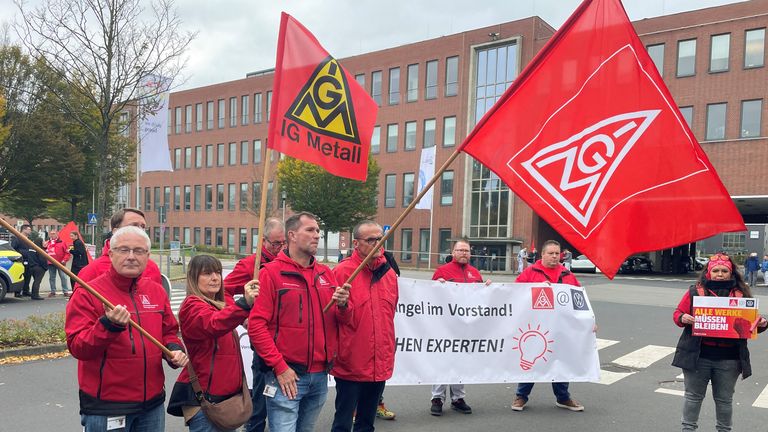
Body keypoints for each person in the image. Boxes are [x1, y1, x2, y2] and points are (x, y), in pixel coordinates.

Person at [65, 226, 188, 431]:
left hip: (153, 404)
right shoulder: (88, 292)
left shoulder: (156, 291)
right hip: (107, 407)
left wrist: (175, 350)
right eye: (124, 250)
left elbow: (169, 332)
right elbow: (77, 347)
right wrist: (108, 325)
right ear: (111, 254)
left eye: (138, 251)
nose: (131, 256)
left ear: (148, 256)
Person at [248, 212, 351, 432]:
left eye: (318, 231)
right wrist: (279, 367)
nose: (316, 235)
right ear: (292, 235)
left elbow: (342, 322)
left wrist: (343, 306)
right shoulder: (272, 273)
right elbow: (257, 327)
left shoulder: (326, 274)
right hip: (286, 376)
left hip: (319, 376)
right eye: (310, 230)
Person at [672, 253, 767, 431]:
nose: (720, 274)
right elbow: (677, 314)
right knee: (693, 397)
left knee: (724, 400)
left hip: (729, 359)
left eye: (724, 270)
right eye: (716, 270)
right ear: (708, 272)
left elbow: (751, 325)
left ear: (731, 273)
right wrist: (683, 317)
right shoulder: (695, 291)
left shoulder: (741, 293)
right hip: (698, 357)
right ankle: (688, 429)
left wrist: (762, 323)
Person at [168, 255, 260, 431]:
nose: (215, 278)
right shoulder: (192, 305)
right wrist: (244, 304)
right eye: (207, 273)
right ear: (194, 278)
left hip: (225, 401)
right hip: (206, 402)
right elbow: (214, 323)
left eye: (217, 272)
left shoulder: (219, 305)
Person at [330, 221, 399, 431]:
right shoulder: (342, 272)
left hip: (380, 361)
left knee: (367, 423)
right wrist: (342, 307)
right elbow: (334, 317)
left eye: (381, 239)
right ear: (356, 243)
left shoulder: (389, 274)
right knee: (343, 422)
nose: (378, 244)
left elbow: (390, 314)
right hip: (351, 362)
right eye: (371, 240)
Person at [223, 217, 285, 432]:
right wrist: (242, 316)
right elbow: (223, 291)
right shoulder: (251, 264)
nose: (279, 248)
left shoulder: (287, 262)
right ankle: (254, 426)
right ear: (264, 241)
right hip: (263, 337)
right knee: (261, 389)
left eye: (282, 243)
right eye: (275, 243)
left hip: (287, 338)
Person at [513, 240, 584, 412]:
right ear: (542, 254)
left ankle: (563, 397)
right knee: (531, 360)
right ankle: (521, 396)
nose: (554, 257)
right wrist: (536, 288)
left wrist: (589, 321)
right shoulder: (530, 273)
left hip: (561, 328)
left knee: (561, 361)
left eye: (557, 254)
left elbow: (579, 302)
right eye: (550, 253)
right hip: (536, 327)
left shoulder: (568, 275)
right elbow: (514, 295)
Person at [430, 239, 490, 416]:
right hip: (446, 325)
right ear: (453, 252)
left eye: (467, 250)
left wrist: (488, 289)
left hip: (466, 326)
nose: (464, 253)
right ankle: (437, 398)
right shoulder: (442, 271)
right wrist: (437, 286)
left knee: (461, 360)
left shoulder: (475, 273)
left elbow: (481, 298)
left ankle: (458, 398)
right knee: (443, 360)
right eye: (460, 250)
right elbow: (430, 296)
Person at [75, 208, 162, 289]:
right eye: (134, 226)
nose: (140, 230)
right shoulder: (92, 271)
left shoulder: (151, 267)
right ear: (115, 231)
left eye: (143, 227)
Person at [44, 230, 71, 297]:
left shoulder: (62, 242)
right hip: (51, 262)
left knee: (63, 277)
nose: (52, 235)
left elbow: (67, 253)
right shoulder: (48, 242)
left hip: (60, 262)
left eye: (53, 234)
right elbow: (44, 250)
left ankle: (65, 291)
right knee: (52, 277)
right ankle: (53, 291)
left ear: (57, 234)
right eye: (51, 234)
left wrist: (64, 260)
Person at [11, 224, 32, 297]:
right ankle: (17, 292)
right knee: (20, 275)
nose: (30, 231)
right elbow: (13, 248)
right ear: (24, 230)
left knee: (28, 275)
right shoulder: (17, 238)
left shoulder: (29, 238)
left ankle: (26, 291)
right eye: (29, 229)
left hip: (28, 259)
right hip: (20, 260)